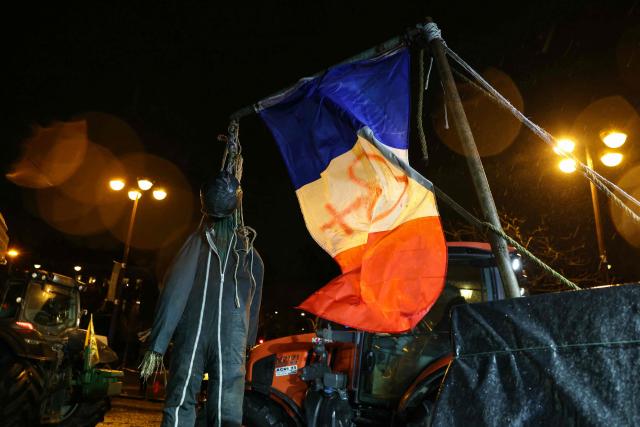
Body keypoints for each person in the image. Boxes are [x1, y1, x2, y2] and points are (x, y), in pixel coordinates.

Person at [141, 167, 263, 427]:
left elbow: (175, 292)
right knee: (226, 411)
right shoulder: (249, 254)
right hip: (230, 341)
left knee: (181, 400)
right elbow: (255, 300)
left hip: (192, 334)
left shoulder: (197, 243)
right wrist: (248, 341)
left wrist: (158, 344)